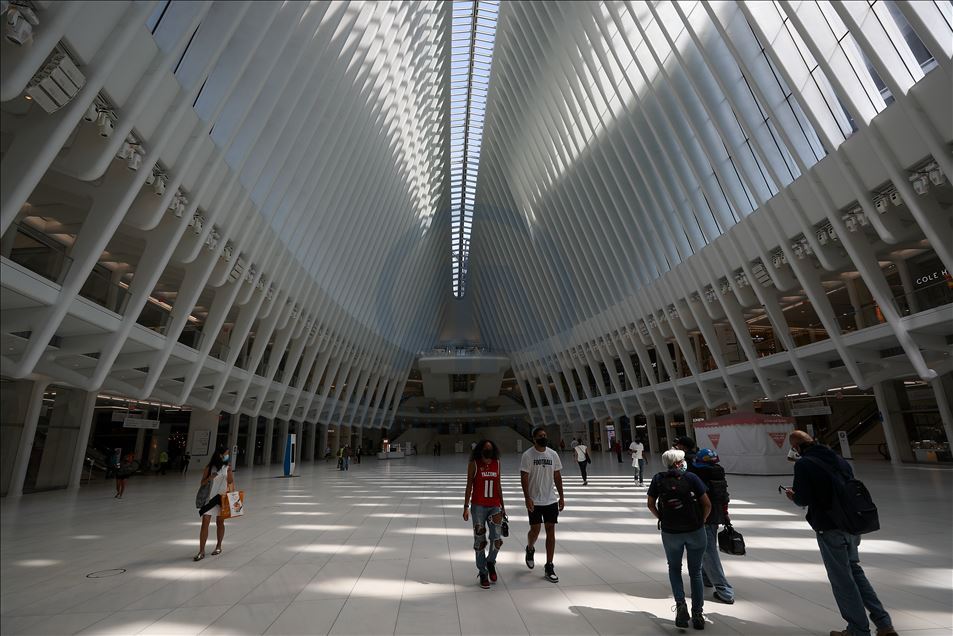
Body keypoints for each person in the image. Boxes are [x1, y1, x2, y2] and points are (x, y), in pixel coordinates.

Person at [784, 431, 897, 636]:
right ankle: (884, 624)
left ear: (798, 447)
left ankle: (858, 630)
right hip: (852, 523)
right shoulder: (838, 459)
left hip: (829, 526)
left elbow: (803, 498)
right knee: (855, 571)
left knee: (842, 580)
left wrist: (793, 496)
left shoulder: (804, 464)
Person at [647, 449, 711, 630]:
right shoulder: (691, 478)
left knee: (674, 569)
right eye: (682, 460)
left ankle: (681, 604)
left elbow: (650, 504)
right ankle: (697, 614)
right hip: (695, 531)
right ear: (677, 463)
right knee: (696, 572)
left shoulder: (658, 479)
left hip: (670, 532)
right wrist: (702, 521)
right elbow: (707, 504)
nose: (685, 462)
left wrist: (662, 517)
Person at [688, 448, 735, 604]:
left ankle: (724, 590)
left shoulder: (700, 476)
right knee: (706, 548)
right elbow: (724, 497)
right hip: (716, 516)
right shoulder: (718, 474)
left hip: (705, 517)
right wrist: (725, 514)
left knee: (709, 551)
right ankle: (706, 577)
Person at [520, 426, 564, 583]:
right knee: (535, 530)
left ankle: (549, 565)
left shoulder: (553, 454)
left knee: (551, 530)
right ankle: (530, 548)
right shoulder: (527, 455)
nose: (543, 437)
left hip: (550, 499)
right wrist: (527, 497)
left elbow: (557, 476)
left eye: (545, 435)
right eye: (540, 435)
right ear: (534, 438)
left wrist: (562, 496)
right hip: (535, 499)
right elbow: (524, 476)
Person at [463, 439, 506, 589]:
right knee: (480, 540)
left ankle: (490, 562)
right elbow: (469, 484)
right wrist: (465, 506)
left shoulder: (497, 463)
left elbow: (499, 485)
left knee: (496, 539)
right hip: (478, 506)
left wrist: (503, 507)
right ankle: (482, 572)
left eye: (490, 448)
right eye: (486, 448)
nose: (488, 450)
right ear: (480, 449)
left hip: (494, 506)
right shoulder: (474, 464)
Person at [195, 446, 234, 561]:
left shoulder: (227, 467)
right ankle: (201, 551)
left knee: (220, 522)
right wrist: (210, 478)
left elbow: (230, 482)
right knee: (205, 523)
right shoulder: (209, 468)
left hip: (222, 499)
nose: (227, 456)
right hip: (210, 499)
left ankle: (218, 546)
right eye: (226, 454)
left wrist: (230, 471)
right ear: (220, 455)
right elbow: (202, 483)